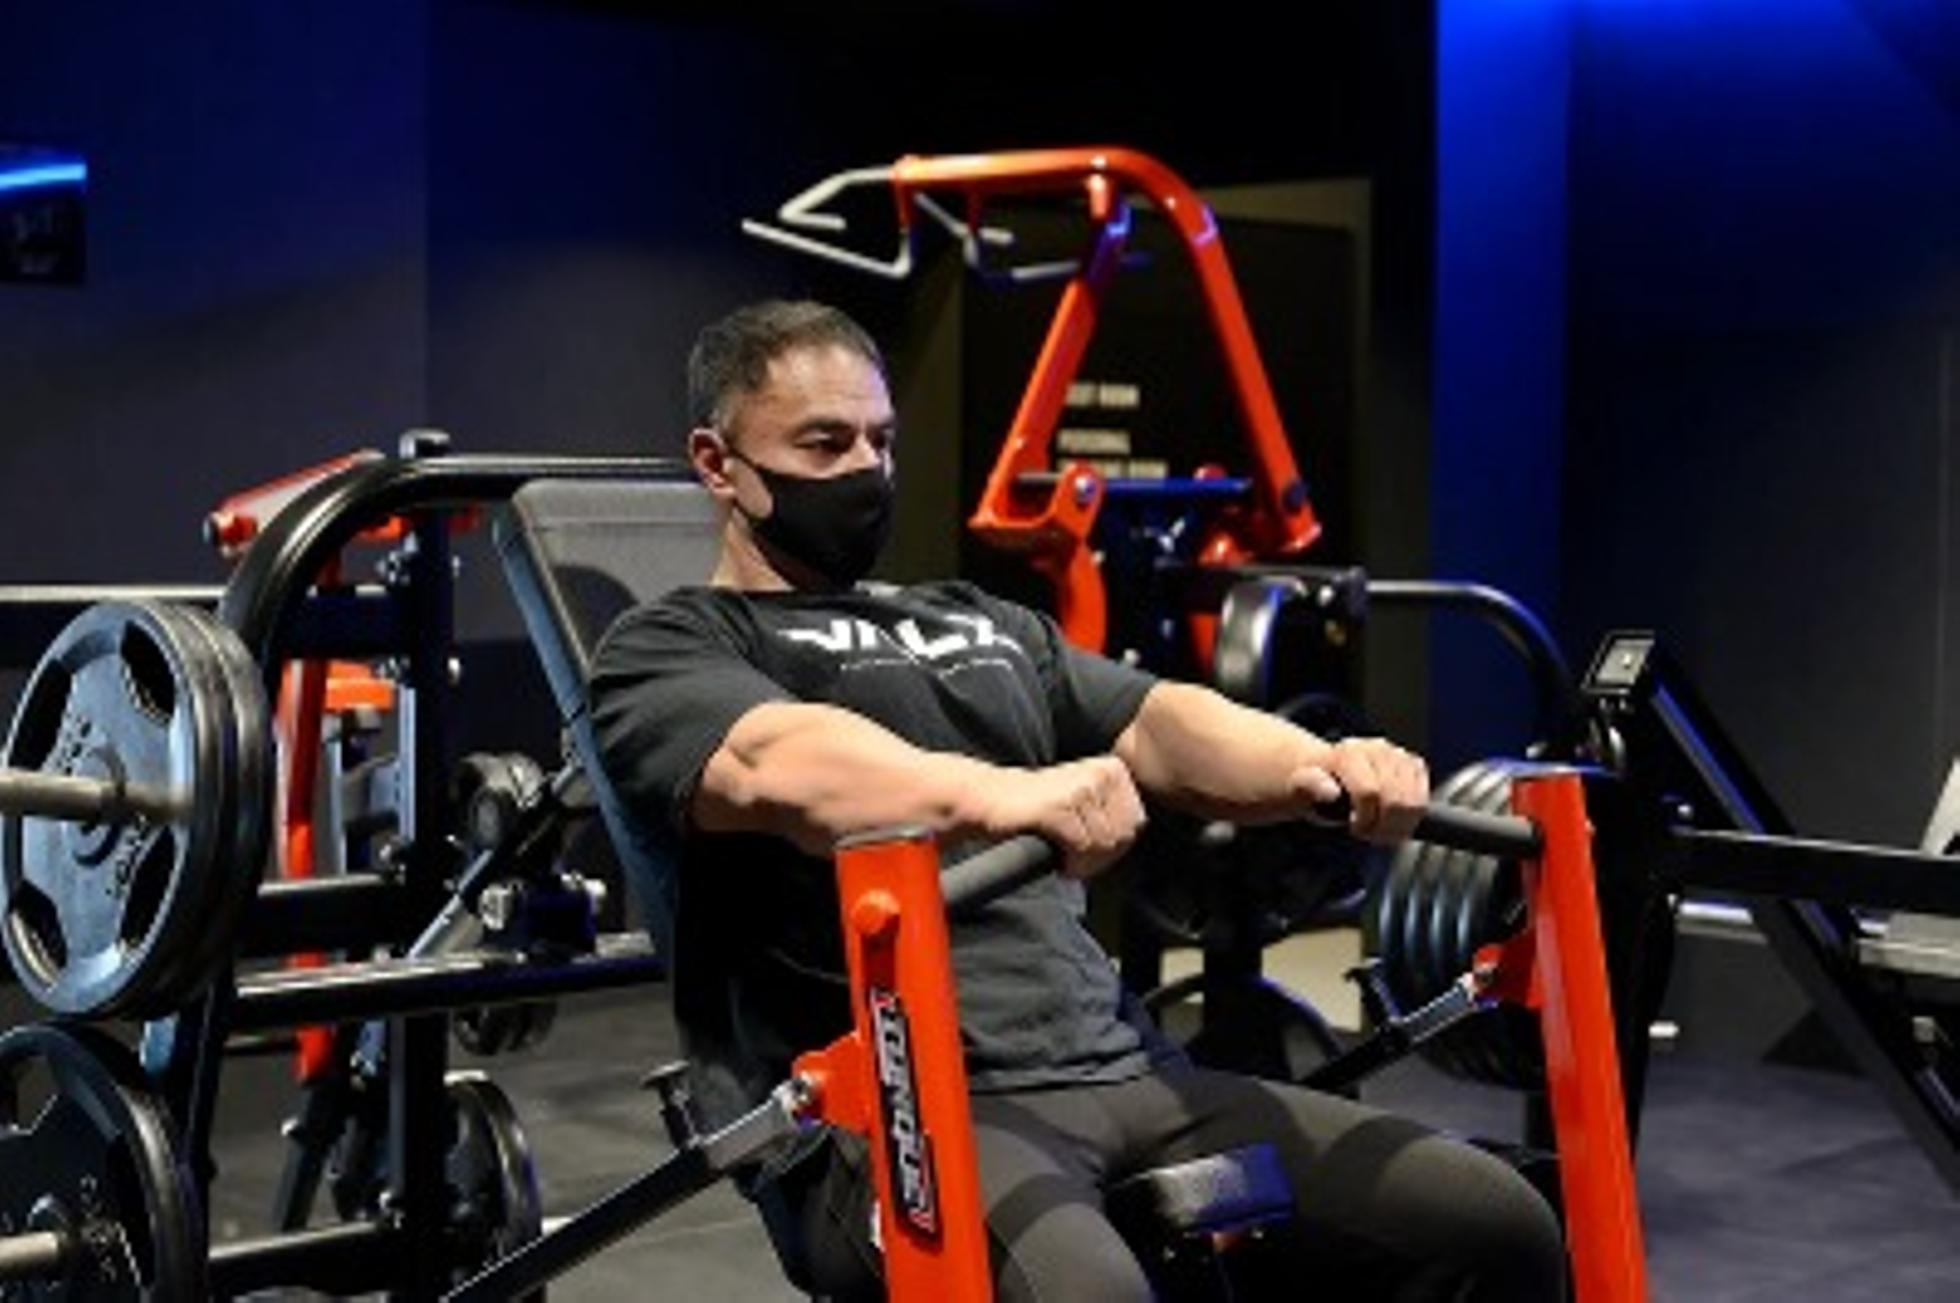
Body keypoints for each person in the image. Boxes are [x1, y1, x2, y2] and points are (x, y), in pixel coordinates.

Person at [589, 300, 1564, 1301]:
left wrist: (1325, 762)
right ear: (717, 464)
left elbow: (1159, 721)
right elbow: (777, 763)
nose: (866, 470)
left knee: (1496, 1226)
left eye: (881, 440)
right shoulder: (670, 646)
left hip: (1126, 1068)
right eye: (824, 443)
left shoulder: (973, 619)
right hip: (895, 1110)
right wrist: (1006, 794)